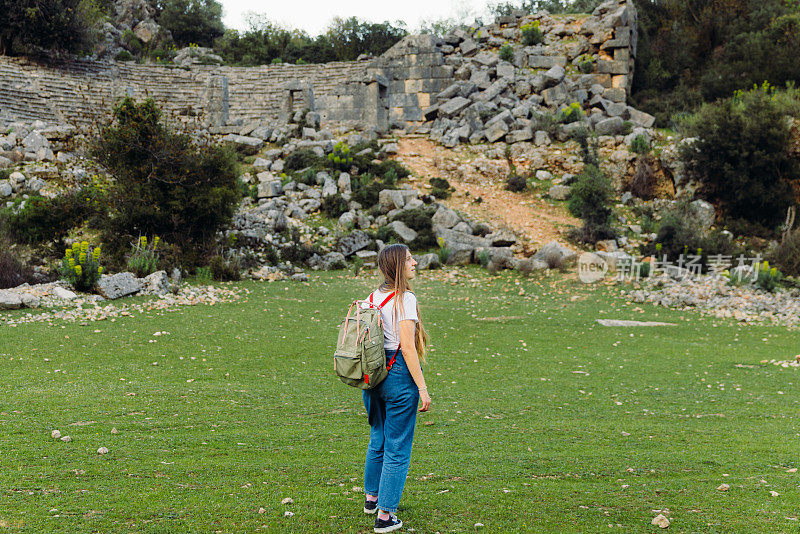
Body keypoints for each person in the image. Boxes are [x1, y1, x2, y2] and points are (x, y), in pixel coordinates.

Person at [362, 244, 431, 533]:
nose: (415, 263)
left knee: (378, 436)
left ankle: (371, 499)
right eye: (409, 260)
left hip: (372, 376)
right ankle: (386, 517)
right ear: (397, 266)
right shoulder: (405, 299)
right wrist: (423, 389)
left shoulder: (372, 297)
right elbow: (407, 347)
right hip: (398, 374)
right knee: (398, 446)